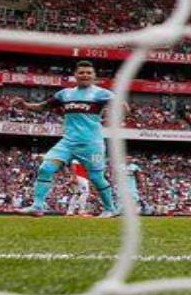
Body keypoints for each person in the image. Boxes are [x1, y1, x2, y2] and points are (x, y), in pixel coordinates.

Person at [14, 60, 119, 218]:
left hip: (91, 144)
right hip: (68, 143)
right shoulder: (65, 94)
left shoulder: (102, 93)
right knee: (45, 168)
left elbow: (122, 105)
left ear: (94, 75)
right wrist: (25, 105)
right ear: (75, 75)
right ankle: (37, 206)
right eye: (81, 72)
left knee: (96, 178)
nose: (85, 75)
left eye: (88, 73)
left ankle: (110, 209)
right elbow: (44, 106)